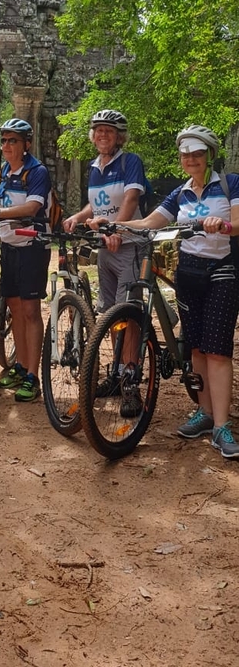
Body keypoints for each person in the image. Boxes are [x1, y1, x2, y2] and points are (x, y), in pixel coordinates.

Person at [116, 125, 239, 460]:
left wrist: (222, 224)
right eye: (186, 154)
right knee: (197, 347)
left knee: (217, 351)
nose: (191, 159)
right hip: (188, 273)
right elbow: (152, 222)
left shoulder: (230, 184)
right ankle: (204, 412)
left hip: (221, 272)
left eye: (197, 153)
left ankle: (222, 427)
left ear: (209, 155)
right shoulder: (180, 193)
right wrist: (113, 224)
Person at [63, 109, 146, 417]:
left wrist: (116, 228)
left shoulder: (129, 161)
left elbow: (131, 199)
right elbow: (97, 203)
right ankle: (116, 374)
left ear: (119, 136)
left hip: (129, 246)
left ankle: (131, 384)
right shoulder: (95, 167)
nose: (102, 135)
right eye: (98, 130)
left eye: (108, 131)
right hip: (105, 249)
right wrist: (78, 216)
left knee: (128, 313)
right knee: (109, 312)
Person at [0, 118, 52, 403]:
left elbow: (32, 206)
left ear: (26, 144)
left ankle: (33, 376)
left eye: (12, 140)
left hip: (32, 246)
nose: (6, 146)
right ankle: (20, 366)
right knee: (14, 308)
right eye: (3, 141)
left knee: (30, 310)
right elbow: (3, 204)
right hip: (9, 246)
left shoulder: (37, 171)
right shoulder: (3, 170)